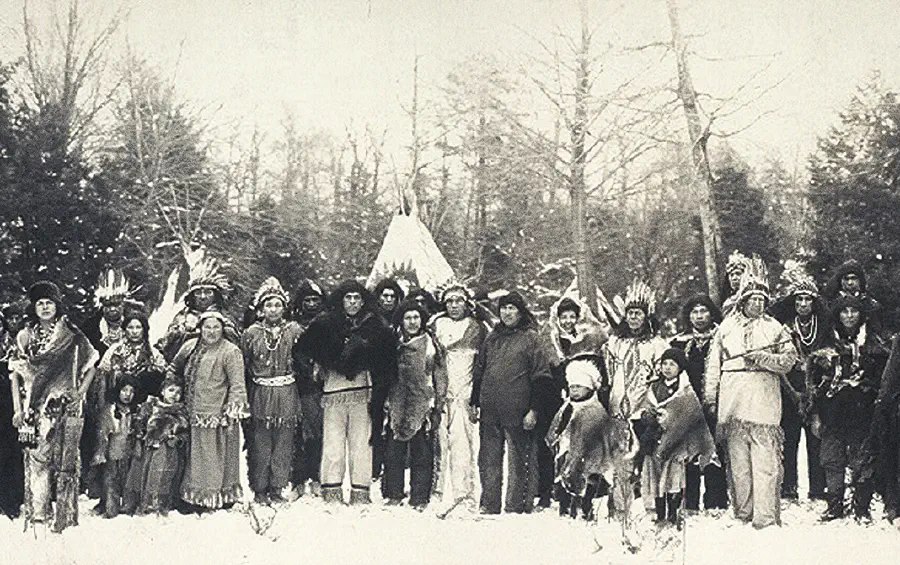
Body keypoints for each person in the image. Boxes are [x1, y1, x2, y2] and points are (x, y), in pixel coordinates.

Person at [705, 256, 797, 529]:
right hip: (733, 404)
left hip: (764, 403)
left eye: (761, 300)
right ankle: (743, 512)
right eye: (752, 299)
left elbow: (789, 361)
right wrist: (711, 398)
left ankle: (765, 517)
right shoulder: (725, 328)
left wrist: (764, 358)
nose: (757, 304)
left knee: (765, 463)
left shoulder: (775, 328)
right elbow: (713, 366)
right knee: (739, 465)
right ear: (743, 300)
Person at [9, 281, 99, 532]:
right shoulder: (25, 336)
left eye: (49, 302)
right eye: (40, 303)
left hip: (65, 409)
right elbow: (14, 374)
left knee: (66, 463)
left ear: (57, 306)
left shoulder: (72, 335)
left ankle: (65, 517)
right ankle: (38, 514)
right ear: (34, 308)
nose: (45, 307)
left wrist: (79, 393)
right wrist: (18, 409)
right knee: (37, 460)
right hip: (33, 409)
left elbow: (91, 365)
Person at [295, 280, 396, 505]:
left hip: (363, 391)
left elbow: (387, 360)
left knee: (361, 443)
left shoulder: (375, 326)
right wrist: (319, 366)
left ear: (363, 301)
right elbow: (302, 351)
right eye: (348, 298)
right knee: (333, 443)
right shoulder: (325, 324)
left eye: (356, 298)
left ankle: (361, 491)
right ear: (341, 300)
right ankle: (331, 490)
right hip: (333, 392)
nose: (352, 302)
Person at [807, 295, 888, 521]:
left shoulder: (873, 346)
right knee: (832, 459)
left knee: (862, 458)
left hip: (863, 410)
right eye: (844, 312)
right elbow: (814, 384)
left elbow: (882, 381)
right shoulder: (826, 345)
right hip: (832, 411)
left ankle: (861, 506)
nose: (849, 316)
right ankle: (834, 505)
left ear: (861, 315)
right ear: (837, 315)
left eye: (854, 311)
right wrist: (815, 415)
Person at [470, 291, 552, 514]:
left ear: (521, 311)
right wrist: (474, 401)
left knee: (520, 460)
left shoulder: (531, 338)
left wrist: (534, 410)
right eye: (504, 308)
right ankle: (489, 503)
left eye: (512, 308)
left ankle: (517, 505)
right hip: (490, 409)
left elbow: (541, 376)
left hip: (519, 409)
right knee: (488, 459)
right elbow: (480, 371)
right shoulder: (492, 338)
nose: (507, 312)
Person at [166, 310, 249, 511]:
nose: (211, 331)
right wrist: (173, 389)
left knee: (214, 458)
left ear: (223, 329)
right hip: (190, 412)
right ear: (200, 328)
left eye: (216, 327)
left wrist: (232, 411)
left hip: (217, 415)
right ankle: (192, 497)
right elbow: (173, 369)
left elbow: (237, 383)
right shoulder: (190, 347)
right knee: (194, 459)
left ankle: (214, 498)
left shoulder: (230, 351)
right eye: (207, 327)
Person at [603, 280, 669, 520]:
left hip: (645, 412)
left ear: (646, 316)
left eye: (638, 314)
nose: (633, 319)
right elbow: (608, 375)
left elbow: (663, 377)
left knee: (650, 461)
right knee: (621, 461)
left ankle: (653, 509)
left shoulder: (657, 345)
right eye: (630, 314)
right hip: (618, 411)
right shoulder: (614, 344)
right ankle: (620, 510)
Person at [768, 266, 828, 501]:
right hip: (790, 387)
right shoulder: (784, 327)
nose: (803, 304)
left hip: (816, 386)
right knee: (790, 438)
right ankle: (788, 486)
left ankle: (818, 488)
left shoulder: (823, 327)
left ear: (814, 303)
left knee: (816, 437)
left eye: (807, 299)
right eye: (799, 299)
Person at [541, 296, 607, 508]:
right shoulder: (552, 340)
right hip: (560, 397)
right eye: (564, 317)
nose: (568, 321)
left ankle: (588, 492)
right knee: (564, 447)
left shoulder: (587, 339)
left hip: (586, 398)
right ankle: (560, 493)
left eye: (572, 316)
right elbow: (550, 369)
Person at [241, 277, 303, 504]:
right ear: (260, 309)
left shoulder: (295, 330)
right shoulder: (251, 333)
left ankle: (277, 487)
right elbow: (245, 365)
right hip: (261, 393)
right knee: (261, 443)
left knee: (284, 444)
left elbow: (304, 361)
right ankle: (259, 488)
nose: (273, 309)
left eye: (277, 304)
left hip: (287, 392)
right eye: (268, 305)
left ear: (284, 307)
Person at [429, 283, 487, 512]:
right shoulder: (435, 325)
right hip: (439, 395)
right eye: (450, 301)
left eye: (459, 301)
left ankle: (464, 496)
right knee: (438, 445)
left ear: (466, 303)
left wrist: (476, 398)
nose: (454, 306)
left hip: (464, 394)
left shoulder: (477, 327)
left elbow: (482, 364)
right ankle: (436, 493)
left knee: (463, 447)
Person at [382, 300, 445, 509]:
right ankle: (393, 493)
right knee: (394, 450)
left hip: (422, 400)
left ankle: (419, 496)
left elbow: (439, 373)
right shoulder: (392, 342)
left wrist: (438, 402)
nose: (412, 322)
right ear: (401, 320)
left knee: (422, 451)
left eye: (416, 317)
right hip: (397, 399)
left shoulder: (430, 344)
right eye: (408, 318)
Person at [669, 294, 728, 511]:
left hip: (715, 406)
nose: (699, 316)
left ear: (712, 313)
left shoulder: (723, 338)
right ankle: (689, 504)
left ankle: (716, 503)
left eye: (704, 311)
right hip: (687, 410)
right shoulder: (679, 342)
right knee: (689, 457)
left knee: (715, 454)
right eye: (694, 312)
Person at [157, 255, 239, 363]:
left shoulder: (225, 316)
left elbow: (235, 343)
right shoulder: (182, 316)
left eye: (208, 292)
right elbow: (167, 346)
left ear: (215, 296)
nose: (203, 296)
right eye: (198, 293)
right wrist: (182, 330)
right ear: (192, 296)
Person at [127, 379, 189, 516]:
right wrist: (139, 438)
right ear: (162, 391)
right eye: (171, 390)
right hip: (148, 450)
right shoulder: (151, 407)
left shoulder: (181, 412)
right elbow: (138, 424)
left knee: (165, 477)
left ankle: (162, 505)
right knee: (145, 475)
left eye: (179, 392)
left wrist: (177, 439)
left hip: (169, 452)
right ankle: (143, 504)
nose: (175, 395)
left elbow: (185, 434)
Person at [290, 279, 326, 497]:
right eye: (307, 301)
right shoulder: (293, 326)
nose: (311, 304)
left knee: (319, 434)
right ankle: (297, 479)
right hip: (299, 386)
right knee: (299, 434)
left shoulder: (328, 324)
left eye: (315, 300)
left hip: (322, 387)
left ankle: (317, 477)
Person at [370, 278, 406, 480]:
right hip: (377, 377)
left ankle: (393, 470)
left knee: (395, 423)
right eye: (385, 296)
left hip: (398, 377)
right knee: (375, 423)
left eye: (393, 296)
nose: (389, 300)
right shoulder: (372, 319)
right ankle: (375, 467)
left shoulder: (402, 321)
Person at [91, 376, 140, 518]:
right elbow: (103, 431)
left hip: (129, 452)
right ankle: (110, 508)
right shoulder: (110, 410)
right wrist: (101, 451)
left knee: (128, 480)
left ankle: (128, 507)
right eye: (124, 390)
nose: (127, 395)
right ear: (118, 391)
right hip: (112, 451)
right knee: (110, 480)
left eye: (131, 391)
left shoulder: (137, 411)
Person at [0, 301, 26, 518]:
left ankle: (16, 499)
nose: (14, 322)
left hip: (20, 400)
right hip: (1, 399)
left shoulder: (26, 340)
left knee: (17, 450)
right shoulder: (2, 341)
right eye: (11, 318)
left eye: (18, 318)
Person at [822, 260, 883, 336]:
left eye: (853, 278)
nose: (850, 282)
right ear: (840, 280)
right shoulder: (831, 303)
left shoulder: (870, 303)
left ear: (860, 280)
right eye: (846, 279)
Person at [720, 251, 751, 317]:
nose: (734, 278)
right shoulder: (728, 300)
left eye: (738, 274)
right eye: (731, 275)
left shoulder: (754, 297)